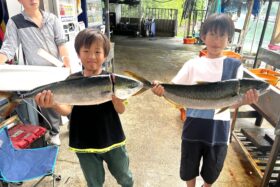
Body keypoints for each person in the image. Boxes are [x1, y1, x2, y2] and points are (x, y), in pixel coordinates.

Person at [152, 13, 259, 187]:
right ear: (203, 37)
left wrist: (245, 101)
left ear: (229, 39)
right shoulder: (192, 64)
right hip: (193, 125)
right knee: (188, 166)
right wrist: (160, 89)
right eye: (212, 34)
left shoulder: (235, 66)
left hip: (219, 130)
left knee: (212, 170)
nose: (217, 40)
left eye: (222, 35)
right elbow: (172, 88)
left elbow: (231, 104)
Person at [34, 29, 134, 187]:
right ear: (78, 54)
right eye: (86, 51)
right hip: (84, 141)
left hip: (112, 138)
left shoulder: (113, 80)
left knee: (125, 177)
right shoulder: (72, 80)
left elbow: (121, 110)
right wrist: (53, 104)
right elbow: (67, 110)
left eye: (97, 51)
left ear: (105, 55)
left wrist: (117, 101)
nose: (91, 56)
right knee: (94, 183)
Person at [0, 0, 70, 145]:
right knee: (49, 103)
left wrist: (66, 61)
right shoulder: (15, 22)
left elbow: (61, 43)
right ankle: (54, 132)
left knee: (68, 99)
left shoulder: (52, 19)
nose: (33, 0)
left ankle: (72, 121)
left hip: (59, 71)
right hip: (40, 76)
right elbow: (8, 49)